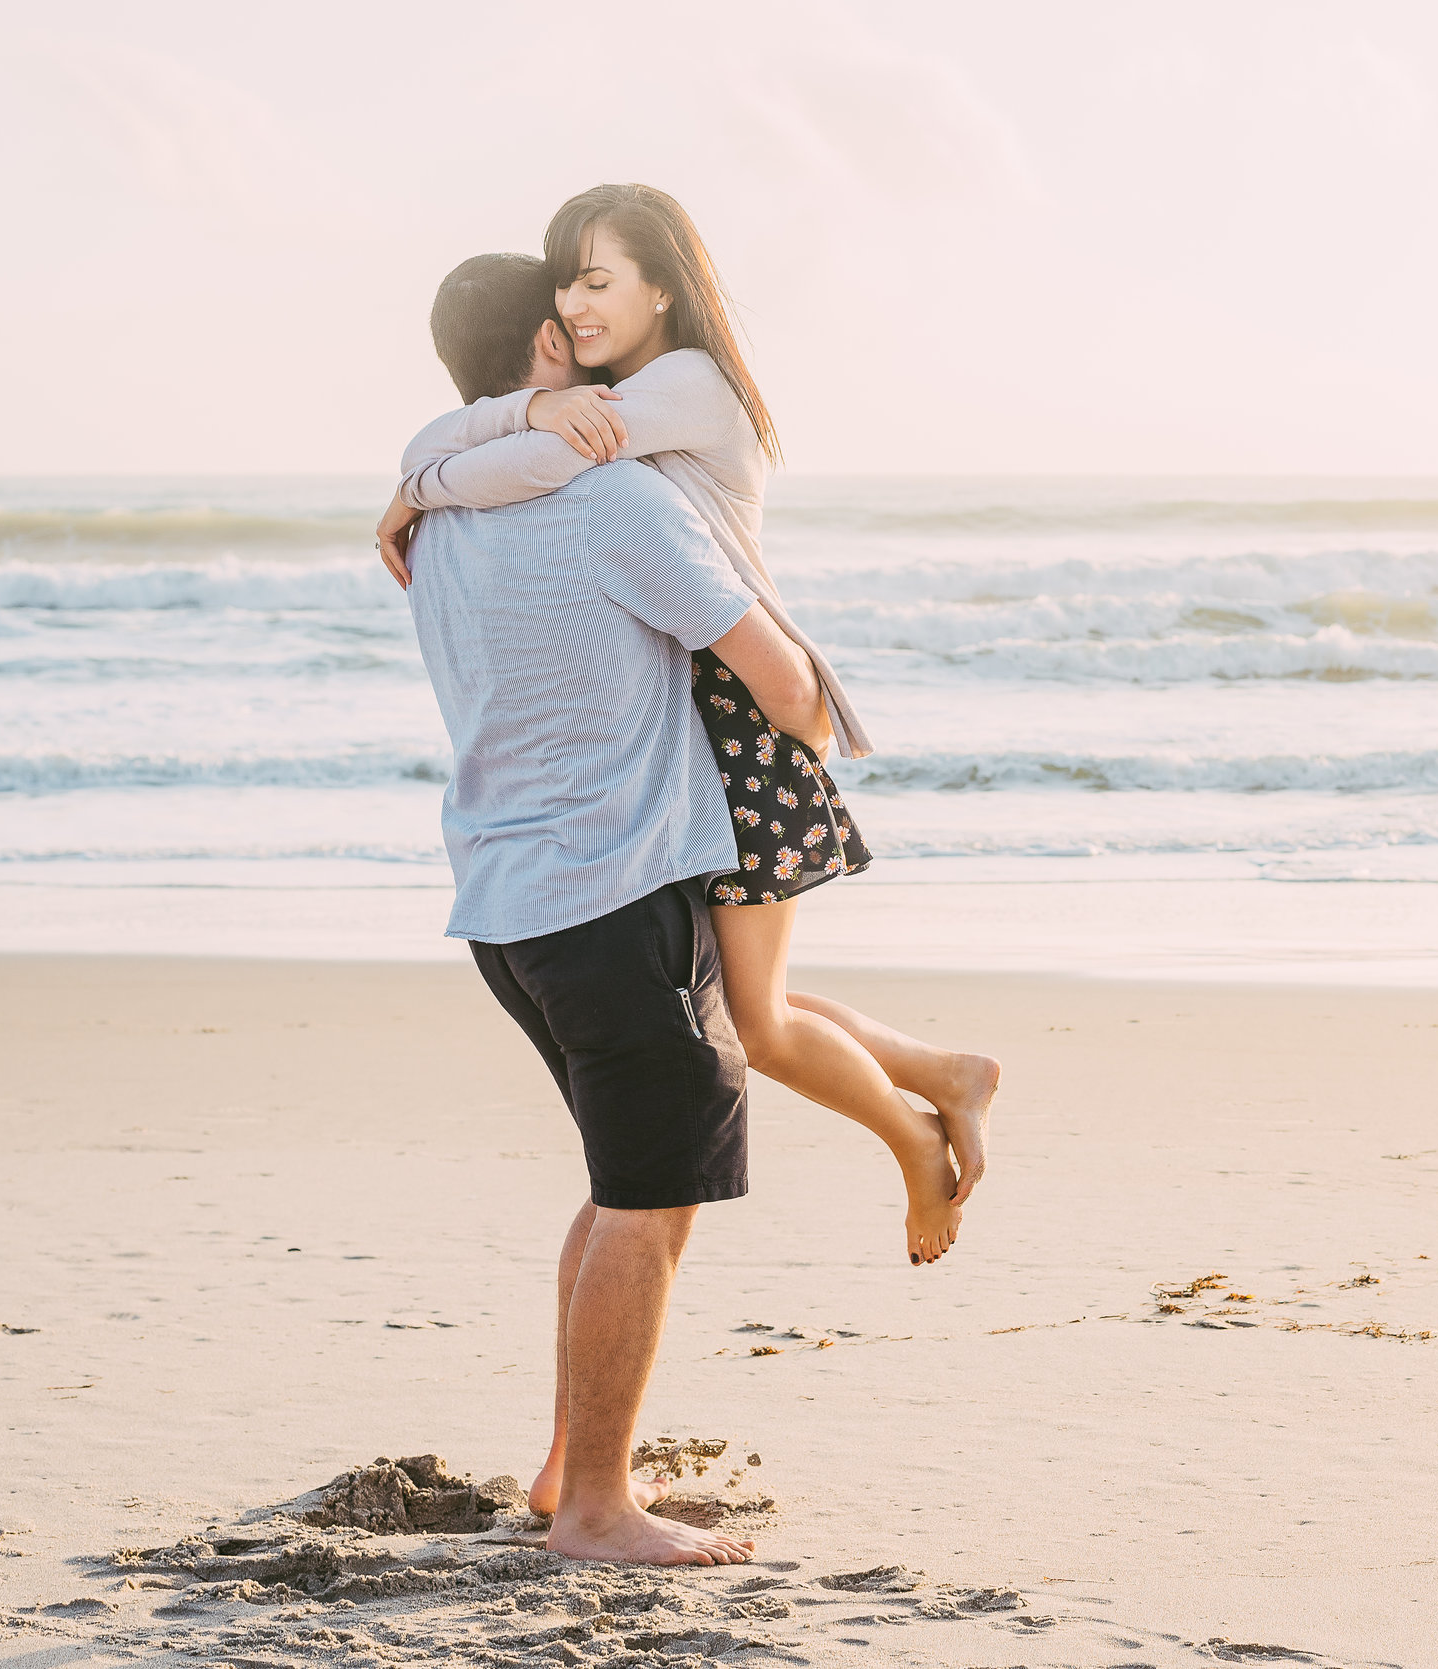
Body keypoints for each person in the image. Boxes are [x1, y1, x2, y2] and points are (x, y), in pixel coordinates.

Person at [395, 251, 914, 1565]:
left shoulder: (438, 514)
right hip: (616, 892)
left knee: (632, 1184)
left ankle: (572, 1467)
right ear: (545, 353)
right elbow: (783, 683)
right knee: (646, 1192)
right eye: (573, 322)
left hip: (506, 909)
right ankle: (594, 1511)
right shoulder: (616, 502)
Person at [378, 185, 998, 1266]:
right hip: (687, 727)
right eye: (565, 278)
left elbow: (532, 463)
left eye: (598, 276)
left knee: (752, 1026)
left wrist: (424, 484)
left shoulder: (689, 386)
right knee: (730, 1007)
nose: (574, 301)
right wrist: (486, 433)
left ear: (664, 284)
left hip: (739, 725)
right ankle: (943, 1073)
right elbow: (507, 444)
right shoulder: (617, 390)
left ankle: (913, 1135)